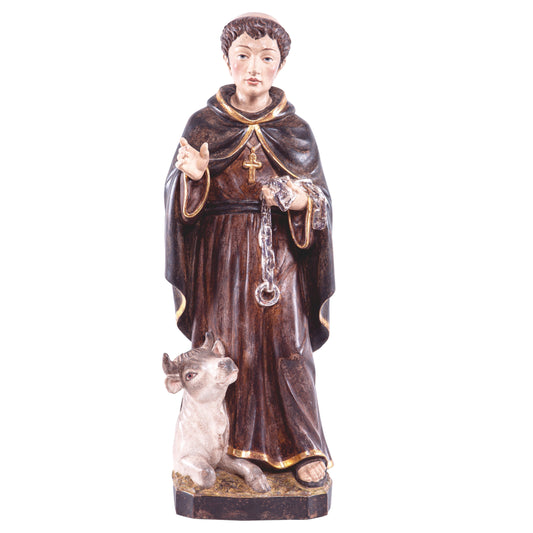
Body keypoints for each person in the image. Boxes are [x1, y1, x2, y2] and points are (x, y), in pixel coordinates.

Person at [164, 13, 335, 487]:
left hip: (278, 256)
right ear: (227, 61)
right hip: (222, 258)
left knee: (289, 346)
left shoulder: (296, 131)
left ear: (280, 65)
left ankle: (302, 446)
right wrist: (193, 180)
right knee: (227, 346)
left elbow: (321, 200)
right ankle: (222, 450)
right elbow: (177, 199)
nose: (254, 67)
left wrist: (300, 200)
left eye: (266, 58)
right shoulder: (204, 125)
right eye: (243, 56)